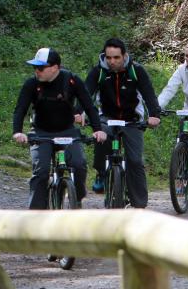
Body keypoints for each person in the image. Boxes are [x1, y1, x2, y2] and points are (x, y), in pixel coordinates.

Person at [12, 47, 107, 209]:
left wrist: (97, 129)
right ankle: (36, 216)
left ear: (55, 67)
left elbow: (89, 106)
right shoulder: (31, 84)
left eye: (41, 68)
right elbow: (20, 108)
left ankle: (77, 196)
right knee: (41, 173)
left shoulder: (71, 80)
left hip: (67, 131)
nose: (37, 71)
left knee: (79, 164)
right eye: (35, 67)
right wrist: (18, 132)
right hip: (41, 132)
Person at [84, 38, 161, 207]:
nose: (112, 61)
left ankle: (139, 204)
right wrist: (78, 112)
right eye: (109, 57)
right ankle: (101, 172)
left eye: (116, 58)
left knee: (135, 161)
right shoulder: (99, 72)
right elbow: (85, 94)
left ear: (124, 56)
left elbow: (149, 94)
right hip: (106, 117)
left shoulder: (136, 71)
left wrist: (155, 115)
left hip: (131, 120)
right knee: (101, 137)